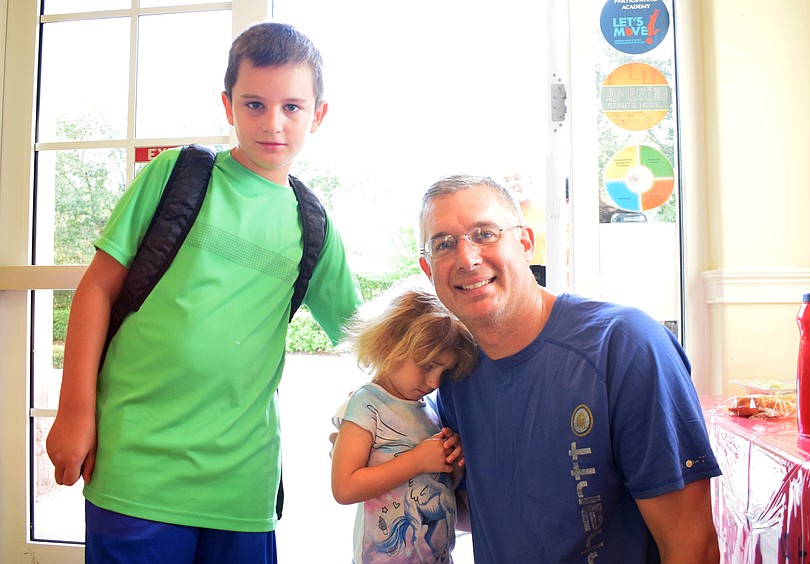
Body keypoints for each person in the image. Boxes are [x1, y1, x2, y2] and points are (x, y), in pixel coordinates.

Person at [45, 22, 361, 563]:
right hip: (136, 470)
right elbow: (96, 289)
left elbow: (371, 337)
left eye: (292, 107)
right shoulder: (179, 175)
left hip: (242, 488)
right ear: (228, 104)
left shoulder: (315, 227)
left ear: (318, 114)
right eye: (254, 104)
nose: (273, 123)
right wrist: (74, 409)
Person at [417, 174, 721, 563]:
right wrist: (387, 450)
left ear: (525, 243)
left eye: (485, 233)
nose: (467, 258)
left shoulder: (625, 346)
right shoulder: (456, 373)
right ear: (428, 268)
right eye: (444, 244)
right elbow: (489, 513)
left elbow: (691, 544)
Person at [330, 286, 477, 563]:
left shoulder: (430, 410)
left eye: (443, 371)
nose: (434, 382)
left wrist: (451, 466)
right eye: (426, 365)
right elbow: (344, 487)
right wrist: (419, 460)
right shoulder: (367, 404)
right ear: (390, 346)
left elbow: (433, 486)